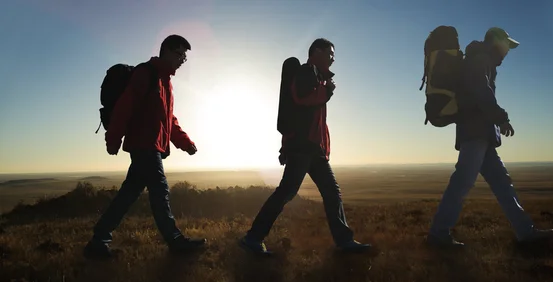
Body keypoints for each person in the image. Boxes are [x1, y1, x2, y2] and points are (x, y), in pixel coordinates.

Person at [239, 38, 372, 255]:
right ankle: (252, 238)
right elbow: (302, 99)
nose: (333, 58)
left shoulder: (315, 76)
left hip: (313, 148)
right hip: (303, 147)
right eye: (330, 53)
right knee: (287, 192)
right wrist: (327, 91)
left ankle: (344, 241)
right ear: (316, 52)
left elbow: (302, 115)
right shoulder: (305, 73)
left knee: (331, 192)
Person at [427, 27, 553, 247]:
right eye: (507, 46)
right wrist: (501, 118)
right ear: (497, 43)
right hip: (475, 133)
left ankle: (526, 232)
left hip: (481, 134)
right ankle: (438, 234)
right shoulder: (479, 60)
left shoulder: (479, 59)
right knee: (463, 183)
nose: (507, 52)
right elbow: (481, 91)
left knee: (502, 183)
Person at [84, 34, 206, 259]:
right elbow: (124, 106)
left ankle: (98, 240)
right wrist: (113, 138)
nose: (181, 60)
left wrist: (185, 143)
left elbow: (168, 119)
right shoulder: (146, 73)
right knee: (160, 191)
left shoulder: (165, 82)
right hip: (144, 146)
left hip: (153, 147)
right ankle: (175, 241)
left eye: (184, 57)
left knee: (128, 195)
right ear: (167, 51)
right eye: (179, 54)